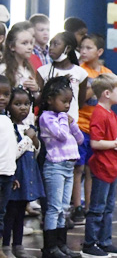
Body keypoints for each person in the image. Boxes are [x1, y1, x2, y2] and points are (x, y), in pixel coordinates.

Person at [82, 73, 117, 258]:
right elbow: (96, 142)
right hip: (102, 167)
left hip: (111, 167)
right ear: (107, 93)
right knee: (98, 207)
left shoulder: (112, 114)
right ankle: (89, 243)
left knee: (108, 207)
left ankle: (105, 241)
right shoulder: (99, 114)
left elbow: (113, 138)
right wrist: (116, 144)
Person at [39, 76, 84, 258]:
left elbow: (79, 139)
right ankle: (49, 248)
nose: (67, 106)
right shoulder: (46, 117)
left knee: (64, 208)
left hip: (68, 167)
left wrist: (73, 124)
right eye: (63, 102)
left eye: (69, 102)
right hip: (55, 167)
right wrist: (66, 120)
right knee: (54, 208)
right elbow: (62, 135)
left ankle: (61, 244)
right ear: (50, 99)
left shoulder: (63, 118)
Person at [72, 33, 111, 225]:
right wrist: (95, 85)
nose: (83, 51)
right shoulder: (79, 71)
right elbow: (79, 99)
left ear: (99, 51)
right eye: (82, 48)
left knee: (91, 169)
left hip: (96, 129)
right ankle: (76, 206)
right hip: (80, 125)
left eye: (89, 48)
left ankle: (88, 207)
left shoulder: (107, 72)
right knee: (77, 167)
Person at [3, 84, 44, 258]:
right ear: (9, 106)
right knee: (10, 212)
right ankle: (5, 245)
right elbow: (15, 152)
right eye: (17, 104)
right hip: (14, 174)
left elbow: (36, 151)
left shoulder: (28, 127)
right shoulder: (9, 127)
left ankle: (18, 245)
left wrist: (34, 140)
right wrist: (29, 137)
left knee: (21, 211)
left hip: (28, 173)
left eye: (26, 104)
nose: (23, 108)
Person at [1, 24, 42, 95]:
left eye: (31, 43)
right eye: (24, 43)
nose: (30, 47)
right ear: (12, 46)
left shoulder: (29, 69)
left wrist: (36, 89)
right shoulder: (3, 69)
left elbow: (35, 100)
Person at [0, 77, 15, 258]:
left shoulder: (7, 119)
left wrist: (14, 172)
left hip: (7, 173)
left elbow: (11, 149)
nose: (2, 98)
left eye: (6, 94)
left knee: (1, 214)